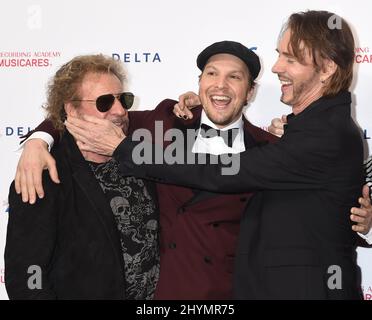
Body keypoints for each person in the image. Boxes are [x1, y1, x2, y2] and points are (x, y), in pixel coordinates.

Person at [13, 41, 372, 298]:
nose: (220, 83)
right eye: (211, 73)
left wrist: (362, 220)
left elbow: (309, 214)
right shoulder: (160, 124)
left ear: (249, 93)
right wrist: (38, 140)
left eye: (235, 77)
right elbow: (90, 114)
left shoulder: (273, 149)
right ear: (199, 84)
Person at [5, 54, 160, 299]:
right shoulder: (43, 177)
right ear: (71, 109)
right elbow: (27, 275)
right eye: (104, 102)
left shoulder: (139, 155)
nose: (119, 111)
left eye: (124, 99)